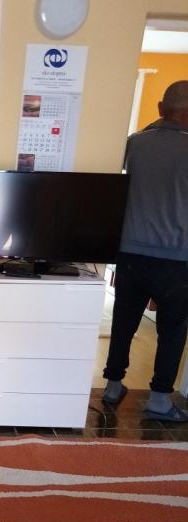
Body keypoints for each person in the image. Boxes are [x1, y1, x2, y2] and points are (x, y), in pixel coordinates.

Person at [102, 80, 188, 421]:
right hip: (178, 258)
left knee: (123, 322)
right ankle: (160, 400)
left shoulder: (134, 143)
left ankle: (112, 386)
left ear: (160, 108)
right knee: (172, 330)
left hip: (131, 253)